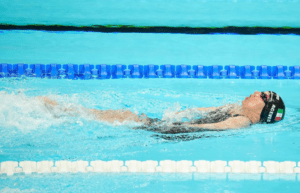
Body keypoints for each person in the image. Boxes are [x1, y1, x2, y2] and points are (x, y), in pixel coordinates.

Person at [37, 91, 285, 134]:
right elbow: (196, 112)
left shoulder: (241, 122)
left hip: (174, 133)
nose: (255, 92)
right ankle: (66, 112)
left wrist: (168, 126)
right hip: (174, 126)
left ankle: (65, 112)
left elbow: (206, 127)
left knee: (128, 118)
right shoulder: (234, 108)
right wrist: (177, 115)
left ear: (265, 110)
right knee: (125, 115)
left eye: (262, 96)